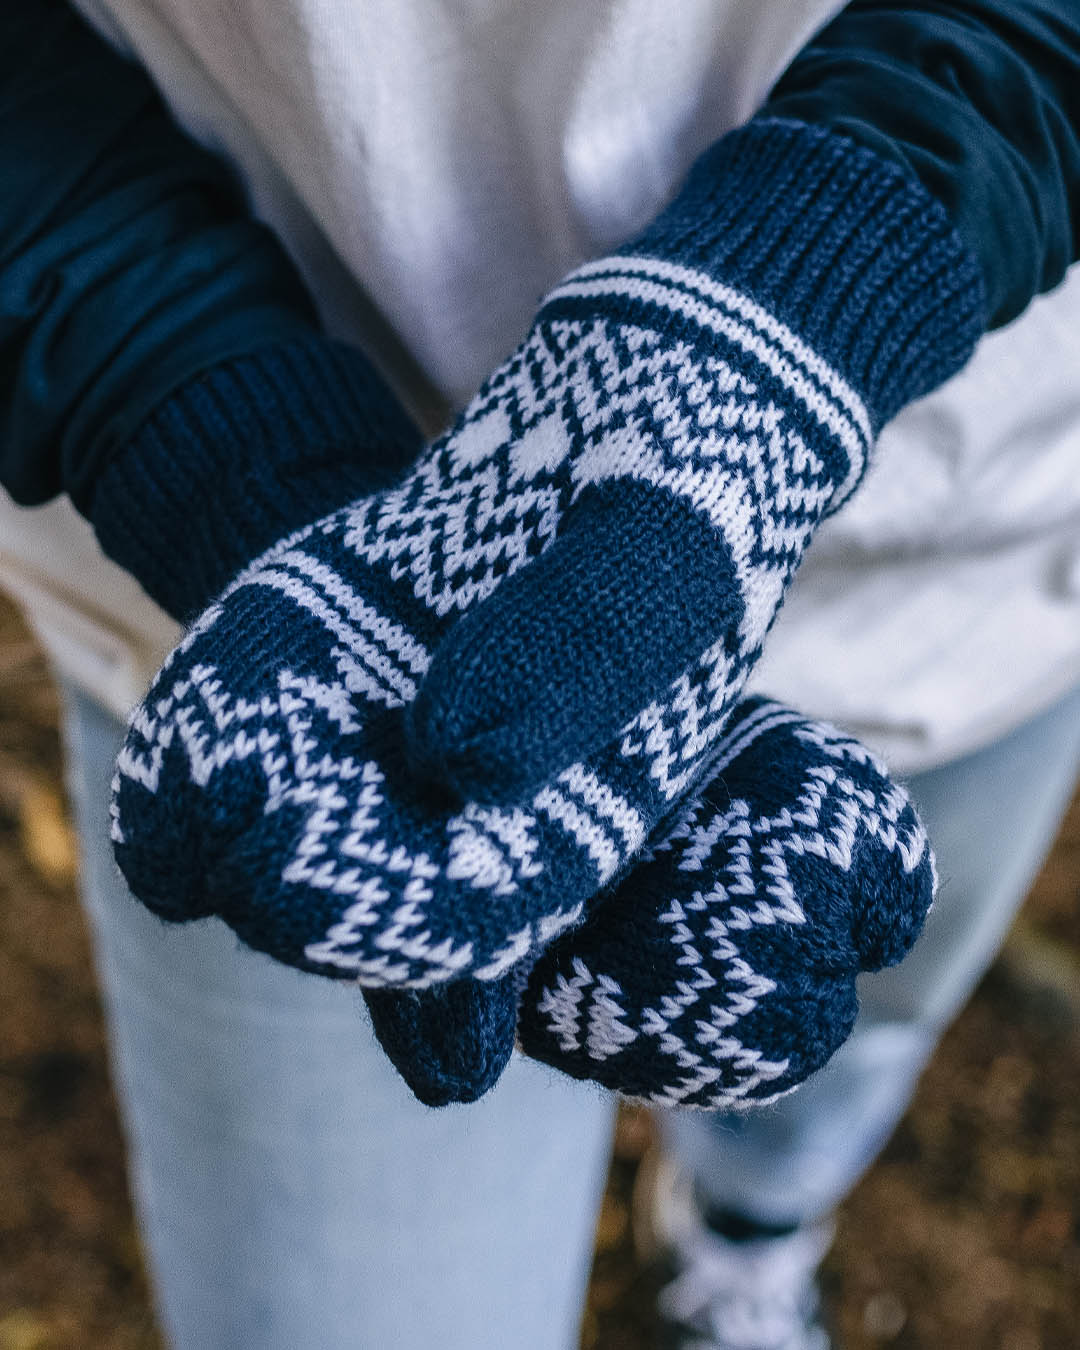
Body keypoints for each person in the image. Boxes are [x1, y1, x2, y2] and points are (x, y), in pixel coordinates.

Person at [1, 2, 1079, 1348]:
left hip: (980, 504)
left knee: (851, 1017)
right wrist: (190, 402)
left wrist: (809, 269)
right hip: (306, 652)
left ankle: (744, 1225)